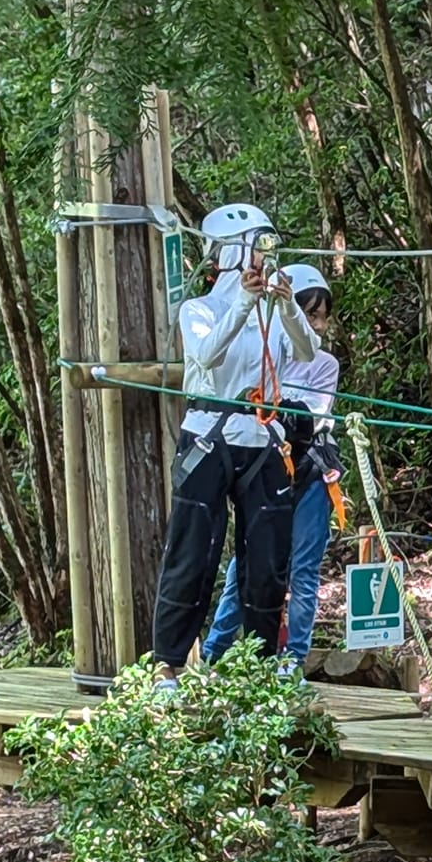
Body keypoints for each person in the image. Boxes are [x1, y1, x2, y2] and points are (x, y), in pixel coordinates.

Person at [151, 204, 317, 696]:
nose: (264, 258)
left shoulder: (272, 313)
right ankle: (170, 665)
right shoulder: (198, 310)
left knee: (267, 559)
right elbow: (206, 355)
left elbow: (307, 352)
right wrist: (245, 303)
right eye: (256, 246)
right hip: (208, 437)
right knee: (193, 552)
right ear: (230, 253)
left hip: (261, 439)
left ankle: (261, 662)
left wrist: (286, 305)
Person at [200, 262, 340, 671]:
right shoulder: (262, 352)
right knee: (243, 564)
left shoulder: (323, 363)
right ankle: (215, 652)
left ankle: (292, 660)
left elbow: (310, 416)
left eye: (321, 316)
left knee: (302, 570)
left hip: (309, 470)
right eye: (309, 313)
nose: (317, 324)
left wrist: (270, 408)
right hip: (264, 468)